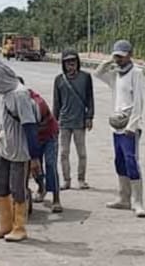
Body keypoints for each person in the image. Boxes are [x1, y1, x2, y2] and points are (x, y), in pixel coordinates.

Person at [0, 61, 41, 242]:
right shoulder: (7, 94)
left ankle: (19, 227)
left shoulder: (20, 94)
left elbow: (30, 127)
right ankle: (4, 224)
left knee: (18, 189)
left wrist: (34, 157)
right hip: (5, 147)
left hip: (20, 151)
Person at [94, 40, 145, 218]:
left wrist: (132, 126)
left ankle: (137, 201)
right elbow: (98, 73)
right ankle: (123, 197)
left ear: (130, 55)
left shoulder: (136, 73)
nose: (119, 59)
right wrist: (109, 60)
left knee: (131, 161)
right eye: (117, 56)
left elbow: (139, 102)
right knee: (119, 161)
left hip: (130, 126)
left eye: (122, 56)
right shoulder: (116, 75)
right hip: (116, 125)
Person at [17, 76, 62, 213]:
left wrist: (34, 156)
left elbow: (31, 128)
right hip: (32, 136)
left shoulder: (37, 104)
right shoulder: (15, 101)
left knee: (50, 164)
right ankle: (41, 187)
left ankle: (56, 198)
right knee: (33, 166)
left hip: (48, 135)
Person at [53, 49, 95, 190]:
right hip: (64, 121)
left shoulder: (85, 77)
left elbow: (90, 98)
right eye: (68, 62)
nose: (71, 65)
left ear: (78, 62)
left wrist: (89, 117)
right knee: (64, 153)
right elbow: (56, 103)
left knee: (81, 153)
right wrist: (54, 122)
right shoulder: (59, 80)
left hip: (79, 121)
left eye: (73, 61)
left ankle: (81, 179)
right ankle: (66, 180)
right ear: (63, 64)